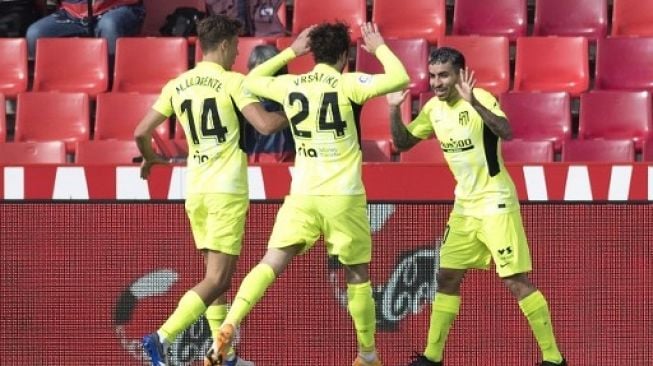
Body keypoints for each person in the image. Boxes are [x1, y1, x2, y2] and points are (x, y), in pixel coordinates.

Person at [204, 22, 410, 366]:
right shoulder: (348, 83)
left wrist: (290, 51)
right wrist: (379, 47)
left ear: (313, 53)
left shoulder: (292, 84)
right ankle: (367, 355)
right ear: (345, 56)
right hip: (343, 196)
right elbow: (400, 77)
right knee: (357, 274)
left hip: (302, 193)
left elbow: (250, 81)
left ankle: (229, 323)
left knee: (271, 261)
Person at [386, 47, 566, 366]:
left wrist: (475, 104)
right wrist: (392, 112)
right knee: (447, 276)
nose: (437, 82)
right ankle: (432, 356)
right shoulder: (432, 110)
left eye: (444, 75)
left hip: (495, 201)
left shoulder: (481, 98)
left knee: (514, 280)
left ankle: (553, 358)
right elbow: (402, 144)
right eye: (433, 76)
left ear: (459, 75)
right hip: (465, 206)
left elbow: (506, 132)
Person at [134, 14, 289, 366]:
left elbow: (140, 131)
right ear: (222, 45)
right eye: (235, 45)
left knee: (212, 279)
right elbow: (264, 126)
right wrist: (295, 112)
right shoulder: (233, 82)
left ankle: (224, 355)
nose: (237, 53)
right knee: (218, 280)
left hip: (197, 191)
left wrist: (151, 159)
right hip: (226, 191)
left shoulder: (178, 84)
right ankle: (161, 337)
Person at [25, 0, 145, 57]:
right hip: (71, 13)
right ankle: (46, 85)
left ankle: (112, 82)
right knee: (35, 33)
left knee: (109, 25)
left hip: (117, 8)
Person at [243, 44, 295, 162]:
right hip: (253, 168)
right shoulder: (243, 101)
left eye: (273, 75)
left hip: (288, 164)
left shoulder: (293, 97)